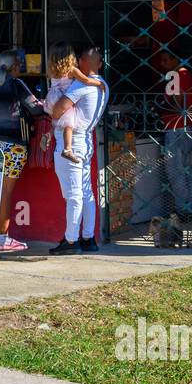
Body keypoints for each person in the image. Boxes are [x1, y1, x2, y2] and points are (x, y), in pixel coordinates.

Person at [48, 45, 109, 254]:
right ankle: (88, 237)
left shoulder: (79, 86)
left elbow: (57, 111)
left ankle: (71, 240)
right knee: (86, 192)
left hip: (73, 140)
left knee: (74, 194)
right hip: (86, 139)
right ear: (99, 63)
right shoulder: (103, 85)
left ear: (80, 63)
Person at [0, 49, 43, 253]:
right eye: (19, 64)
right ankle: (2, 239)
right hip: (12, 145)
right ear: (15, 66)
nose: (21, 68)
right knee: (6, 193)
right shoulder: (16, 83)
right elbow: (36, 109)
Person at [45, 45, 106, 164]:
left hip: (53, 97)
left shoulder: (53, 71)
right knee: (69, 124)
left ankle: (48, 134)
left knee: (59, 120)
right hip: (63, 97)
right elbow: (86, 80)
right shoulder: (71, 70)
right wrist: (98, 83)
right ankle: (67, 149)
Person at [157, 51, 192, 219]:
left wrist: (165, 108)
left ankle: (182, 210)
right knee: (186, 171)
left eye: (166, 60)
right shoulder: (186, 74)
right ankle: (189, 208)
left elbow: (178, 101)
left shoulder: (175, 75)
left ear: (175, 59)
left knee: (175, 171)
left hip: (176, 127)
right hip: (188, 127)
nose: (163, 63)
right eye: (162, 60)